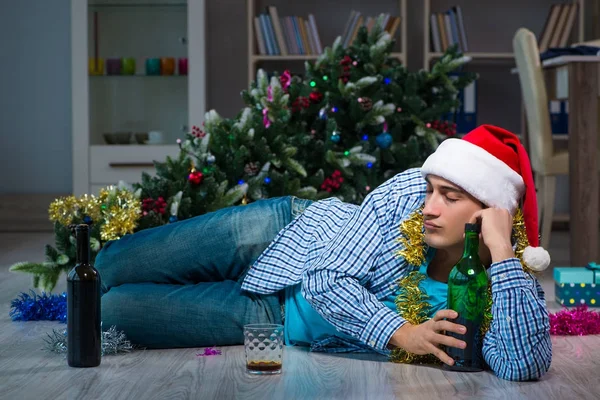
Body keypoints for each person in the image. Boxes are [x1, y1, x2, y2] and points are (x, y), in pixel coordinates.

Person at [95, 124, 552, 382]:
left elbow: (523, 363)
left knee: (111, 310)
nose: (429, 207)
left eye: (450, 198)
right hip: (285, 233)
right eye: (432, 189)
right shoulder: (409, 194)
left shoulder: (501, 280)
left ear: (490, 213)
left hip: (273, 318)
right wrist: (401, 333)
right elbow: (324, 279)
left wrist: (503, 255)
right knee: (109, 265)